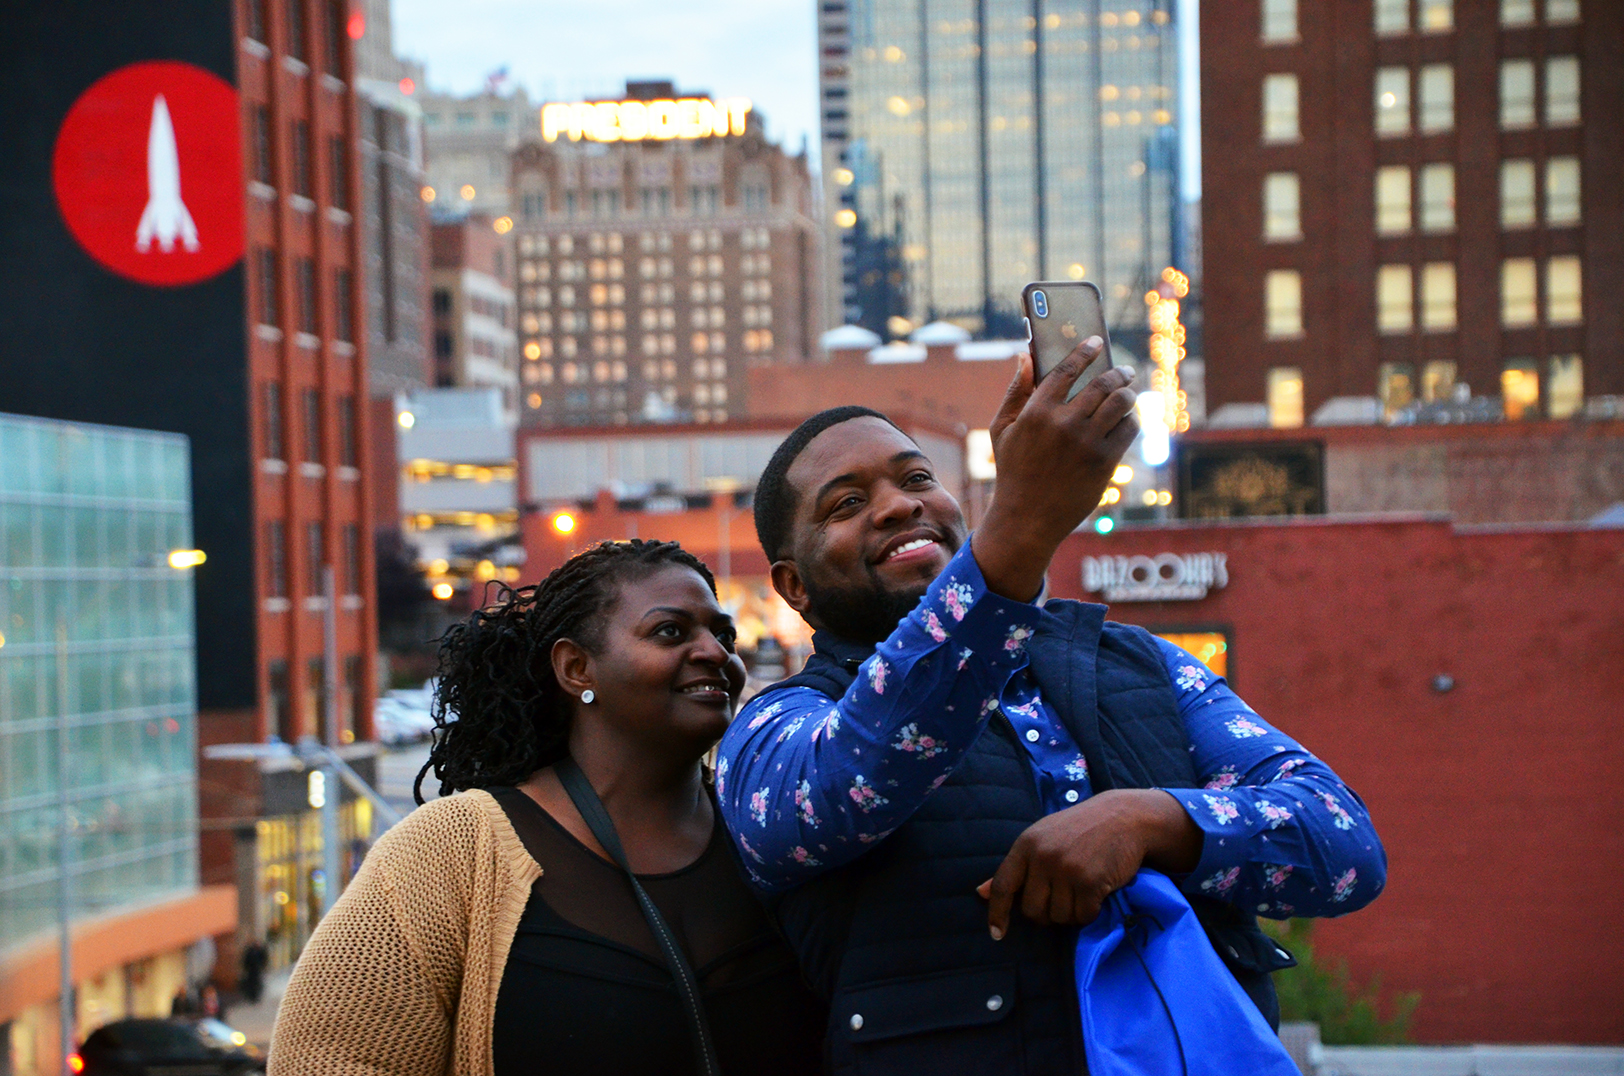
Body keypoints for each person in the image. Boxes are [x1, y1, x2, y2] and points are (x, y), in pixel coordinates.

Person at [716, 340, 1387, 1074]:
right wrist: (1022, 528)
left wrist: (1153, 821)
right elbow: (845, 783)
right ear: (792, 587)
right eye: (847, 503)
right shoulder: (775, 730)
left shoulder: (1137, 661)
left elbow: (1345, 844)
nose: (899, 505)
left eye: (916, 479)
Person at [270, 540, 824, 1076]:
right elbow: (326, 1057)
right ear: (576, 669)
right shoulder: (452, 852)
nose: (716, 653)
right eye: (670, 632)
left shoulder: (772, 822)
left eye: (721, 634)